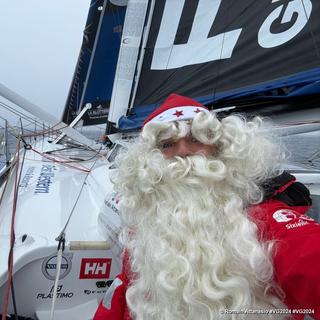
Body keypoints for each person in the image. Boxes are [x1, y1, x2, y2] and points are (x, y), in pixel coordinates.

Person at [94, 94, 320, 320]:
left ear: (220, 150)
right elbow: (119, 298)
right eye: (166, 144)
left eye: (195, 139)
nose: (182, 151)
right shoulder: (147, 227)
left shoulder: (266, 222)